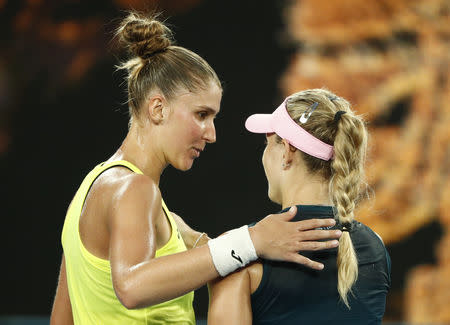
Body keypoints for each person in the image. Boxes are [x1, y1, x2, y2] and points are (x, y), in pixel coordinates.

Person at [49, 13, 342, 325]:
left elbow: (61, 319)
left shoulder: (90, 193)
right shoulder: (135, 189)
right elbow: (132, 287)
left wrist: (253, 244)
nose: (211, 133)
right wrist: (253, 240)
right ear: (157, 108)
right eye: (202, 114)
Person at [208, 89, 391, 325]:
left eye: (267, 143)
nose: (264, 155)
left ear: (286, 151)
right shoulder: (376, 247)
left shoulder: (240, 259)